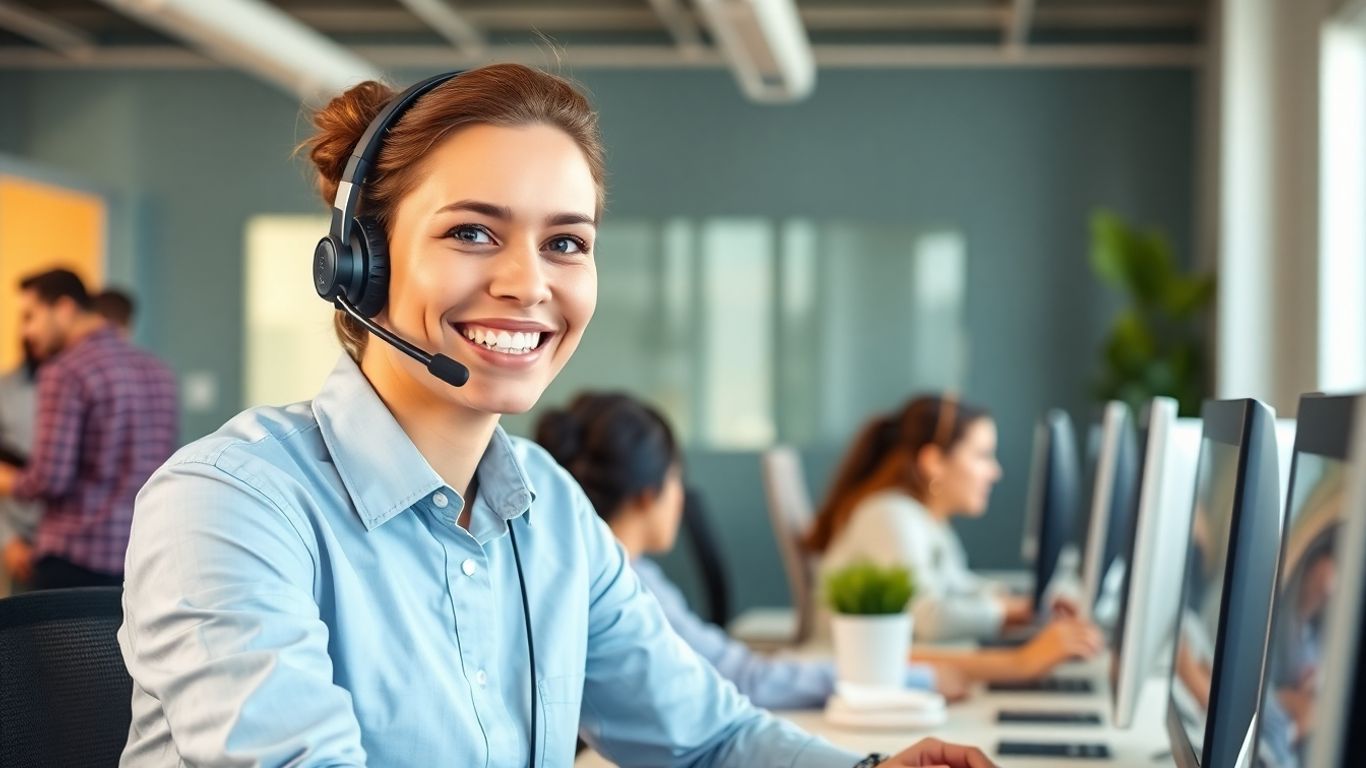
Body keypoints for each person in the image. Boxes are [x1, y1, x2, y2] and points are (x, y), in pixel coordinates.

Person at [115, 66, 994, 768]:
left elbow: (708, 741)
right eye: (472, 233)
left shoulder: (551, 511)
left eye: (566, 242)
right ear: (362, 265)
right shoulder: (230, 504)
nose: (529, 284)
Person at [534, 391, 970, 709]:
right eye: (677, 480)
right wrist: (912, 679)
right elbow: (739, 678)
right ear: (650, 494)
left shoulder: (577, 569)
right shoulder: (627, 581)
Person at [809, 395, 1101, 682]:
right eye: (982, 455)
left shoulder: (926, 521)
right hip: (849, 682)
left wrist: (1023, 608)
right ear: (934, 461)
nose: (995, 472)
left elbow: (958, 586)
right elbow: (928, 619)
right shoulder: (890, 515)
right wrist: (1010, 621)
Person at [0, 269, 178, 590]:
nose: (27, 331)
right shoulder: (157, 370)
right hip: (139, 557)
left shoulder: (64, 371)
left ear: (65, 309)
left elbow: (51, 479)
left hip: (73, 558)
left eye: (32, 316)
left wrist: (7, 481)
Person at [0, 340, 42, 591]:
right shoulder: (5, 390)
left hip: (70, 547)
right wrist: (7, 538)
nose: (29, 330)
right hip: (20, 536)